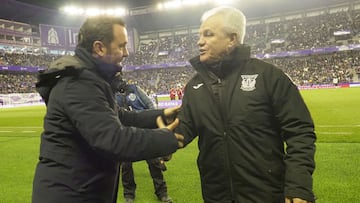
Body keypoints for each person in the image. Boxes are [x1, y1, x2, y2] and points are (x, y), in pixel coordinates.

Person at [32, 16, 183, 203]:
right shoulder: (78, 83)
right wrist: (166, 139)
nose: (126, 52)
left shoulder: (91, 79)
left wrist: (160, 115)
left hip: (81, 190)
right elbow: (113, 140)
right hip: (69, 195)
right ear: (99, 48)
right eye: (121, 46)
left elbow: (120, 117)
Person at [174, 6, 316, 203]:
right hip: (216, 196)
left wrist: (298, 184)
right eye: (200, 35)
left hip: (265, 195)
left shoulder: (269, 76)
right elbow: (184, 129)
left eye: (208, 34)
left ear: (232, 39)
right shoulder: (194, 85)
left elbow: (299, 131)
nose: (200, 42)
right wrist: (161, 143)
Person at [115, 82, 173, 203]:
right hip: (126, 133)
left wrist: (152, 122)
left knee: (154, 162)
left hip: (143, 129)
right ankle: (129, 195)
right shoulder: (112, 93)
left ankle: (162, 192)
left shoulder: (135, 89)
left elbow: (150, 105)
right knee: (126, 166)